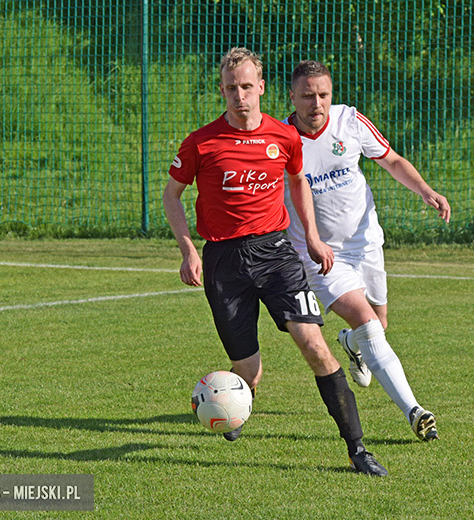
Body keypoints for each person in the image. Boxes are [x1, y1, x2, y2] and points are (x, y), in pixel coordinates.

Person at [162, 48, 387, 476]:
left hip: (276, 253)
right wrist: (188, 250)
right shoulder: (201, 142)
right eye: (231, 88)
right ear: (223, 90)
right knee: (248, 369)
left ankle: (358, 450)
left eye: (247, 87)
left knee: (314, 344)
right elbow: (172, 195)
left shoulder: (283, 137)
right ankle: (232, 402)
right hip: (224, 260)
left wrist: (315, 238)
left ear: (261, 88)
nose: (239, 96)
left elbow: (298, 179)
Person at [283, 60, 451, 442]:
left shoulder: (351, 121)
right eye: (307, 95)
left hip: (367, 243)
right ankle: (415, 411)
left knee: (379, 324)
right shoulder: (280, 140)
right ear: (291, 96)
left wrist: (426, 190)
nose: (316, 104)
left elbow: (390, 159)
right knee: (367, 322)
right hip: (321, 256)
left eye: (323, 94)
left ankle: (350, 344)